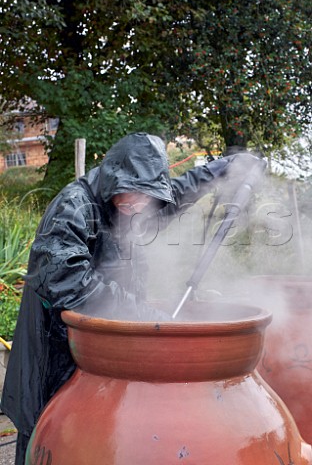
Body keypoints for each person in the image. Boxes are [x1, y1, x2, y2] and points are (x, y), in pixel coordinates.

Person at [1, 132, 255, 464]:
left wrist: (226, 168)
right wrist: (143, 316)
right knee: (46, 444)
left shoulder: (132, 199)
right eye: (134, 196)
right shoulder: (74, 207)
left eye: (148, 198)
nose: (140, 207)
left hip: (99, 355)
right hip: (55, 355)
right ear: (113, 180)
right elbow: (68, 280)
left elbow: (176, 193)